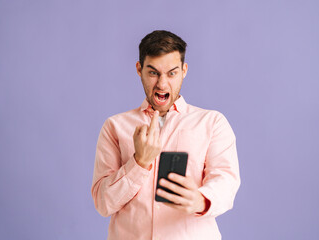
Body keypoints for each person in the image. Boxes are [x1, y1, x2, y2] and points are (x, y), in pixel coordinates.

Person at [91, 30, 241, 240]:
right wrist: (139, 163)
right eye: (153, 73)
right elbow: (103, 202)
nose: (162, 84)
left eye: (172, 73)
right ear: (139, 69)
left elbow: (226, 182)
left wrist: (200, 200)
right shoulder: (115, 126)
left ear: (184, 70)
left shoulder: (212, 123)